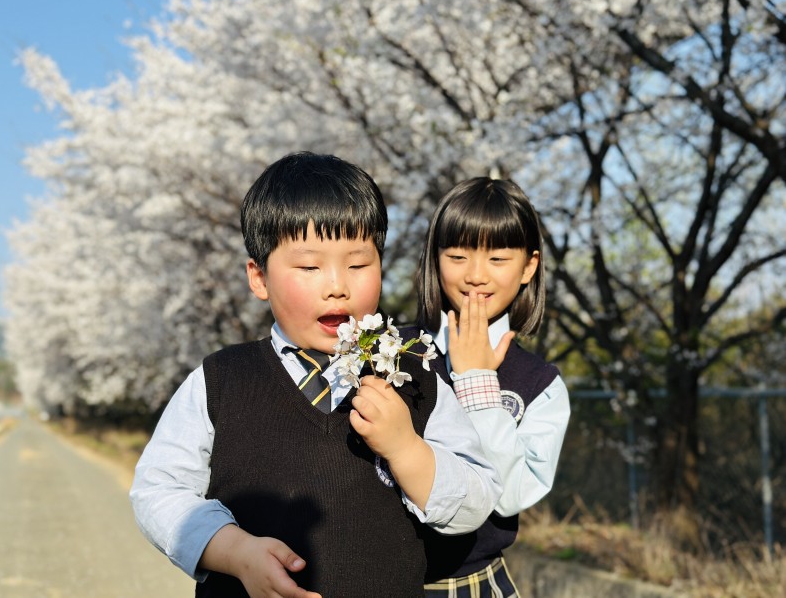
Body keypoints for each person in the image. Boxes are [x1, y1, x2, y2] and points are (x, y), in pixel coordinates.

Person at [130, 153, 503, 598]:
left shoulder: (411, 374)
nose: (337, 285)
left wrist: (406, 449)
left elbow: (475, 502)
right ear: (259, 277)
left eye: (359, 264)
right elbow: (158, 491)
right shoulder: (222, 381)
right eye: (309, 266)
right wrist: (235, 552)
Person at [406, 177, 570, 597]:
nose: (476, 275)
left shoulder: (540, 384)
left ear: (528, 267)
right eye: (457, 255)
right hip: (378, 580)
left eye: (497, 257)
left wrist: (477, 383)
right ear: (435, 258)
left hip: (471, 585)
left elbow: (510, 495)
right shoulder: (394, 351)